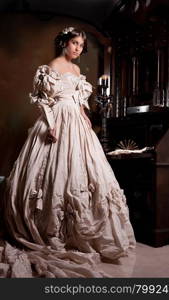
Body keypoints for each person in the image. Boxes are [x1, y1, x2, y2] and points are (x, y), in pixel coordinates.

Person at [1, 27, 135, 278]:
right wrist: (51, 125)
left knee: (85, 172)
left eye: (81, 46)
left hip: (77, 122)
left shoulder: (76, 70)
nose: (78, 49)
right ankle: (53, 231)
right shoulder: (51, 66)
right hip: (57, 120)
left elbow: (78, 101)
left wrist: (86, 122)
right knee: (55, 174)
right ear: (65, 42)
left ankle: (84, 234)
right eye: (74, 43)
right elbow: (43, 101)